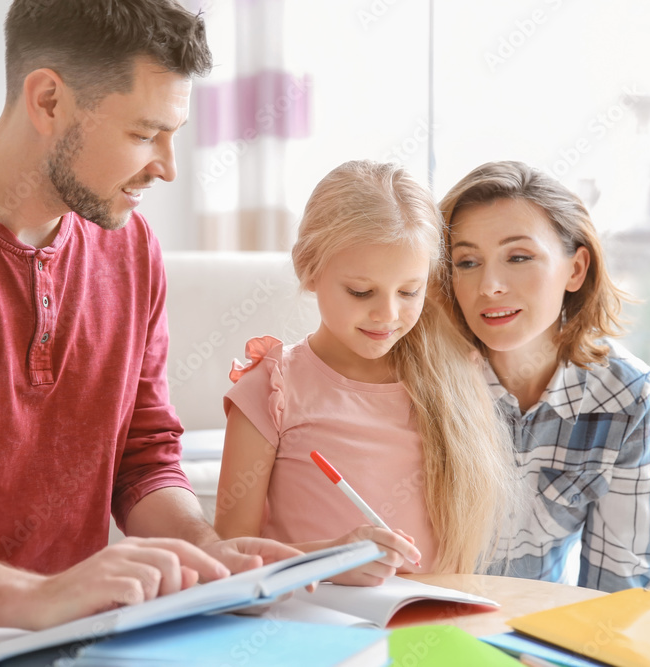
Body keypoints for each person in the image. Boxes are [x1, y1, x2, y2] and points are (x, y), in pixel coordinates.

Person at [0, 2, 299, 665]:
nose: (168, 167)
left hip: (65, 650)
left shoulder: (132, 252)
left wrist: (205, 550)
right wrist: (34, 596)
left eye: (175, 134)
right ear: (47, 101)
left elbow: (144, 453)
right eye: (144, 133)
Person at [214, 160, 517, 584]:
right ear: (309, 269)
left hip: (423, 627)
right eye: (361, 291)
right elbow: (229, 559)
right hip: (309, 629)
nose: (387, 314)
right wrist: (330, 560)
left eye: (409, 291)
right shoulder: (270, 388)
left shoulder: (456, 377)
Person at [438, 160, 650, 592]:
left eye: (518, 257)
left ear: (576, 269)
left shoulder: (625, 392)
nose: (490, 285)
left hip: (537, 644)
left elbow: (619, 585)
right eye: (467, 262)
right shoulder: (424, 381)